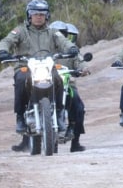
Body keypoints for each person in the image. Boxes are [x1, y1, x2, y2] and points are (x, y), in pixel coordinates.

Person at [0, 0, 78, 151]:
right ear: (29, 15)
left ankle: (60, 114)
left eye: (42, 14)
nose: (39, 17)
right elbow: (6, 40)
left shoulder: (53, 32)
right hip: (25, 66)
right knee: (21, 80)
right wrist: (3, 51)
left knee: (59, 79)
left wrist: (72, 48)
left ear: (47, 16)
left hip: (47, 66)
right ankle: (20, 117)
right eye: (35, 14)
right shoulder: (20, 30)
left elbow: (64, 42)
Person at [51, 21, 90, 152]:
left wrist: (84, 68)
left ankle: (75, 141)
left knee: (79, 107)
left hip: (68, 84)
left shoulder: (71, 50)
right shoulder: (44, 51)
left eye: (62, 34)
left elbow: (80, 61)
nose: (59, 36)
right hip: (47, 84)